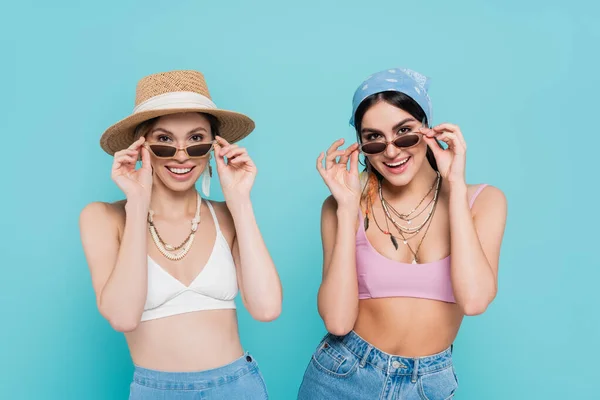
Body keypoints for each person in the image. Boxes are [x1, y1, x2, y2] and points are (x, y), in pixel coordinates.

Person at [298, 68, 507, 399]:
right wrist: (348, 208)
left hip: (426, 385)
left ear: (429, 130)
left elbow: (475, 299)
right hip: (342, 373)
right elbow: (337, 322)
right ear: (361, 144)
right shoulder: (341, 205)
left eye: (405, 132)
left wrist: (453, 185)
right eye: (374, 138)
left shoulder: (483, 201)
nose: (392, 151)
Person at [80, 70, 282, 399]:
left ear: (214, 148)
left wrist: (240, 200)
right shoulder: (104, 218)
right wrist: (138, 200)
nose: (181, 154)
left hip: (237, 386)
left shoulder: (226, 216)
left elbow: (267, 308)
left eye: (196, 139)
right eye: (163, 140)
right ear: (140, 147)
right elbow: (123, 316)